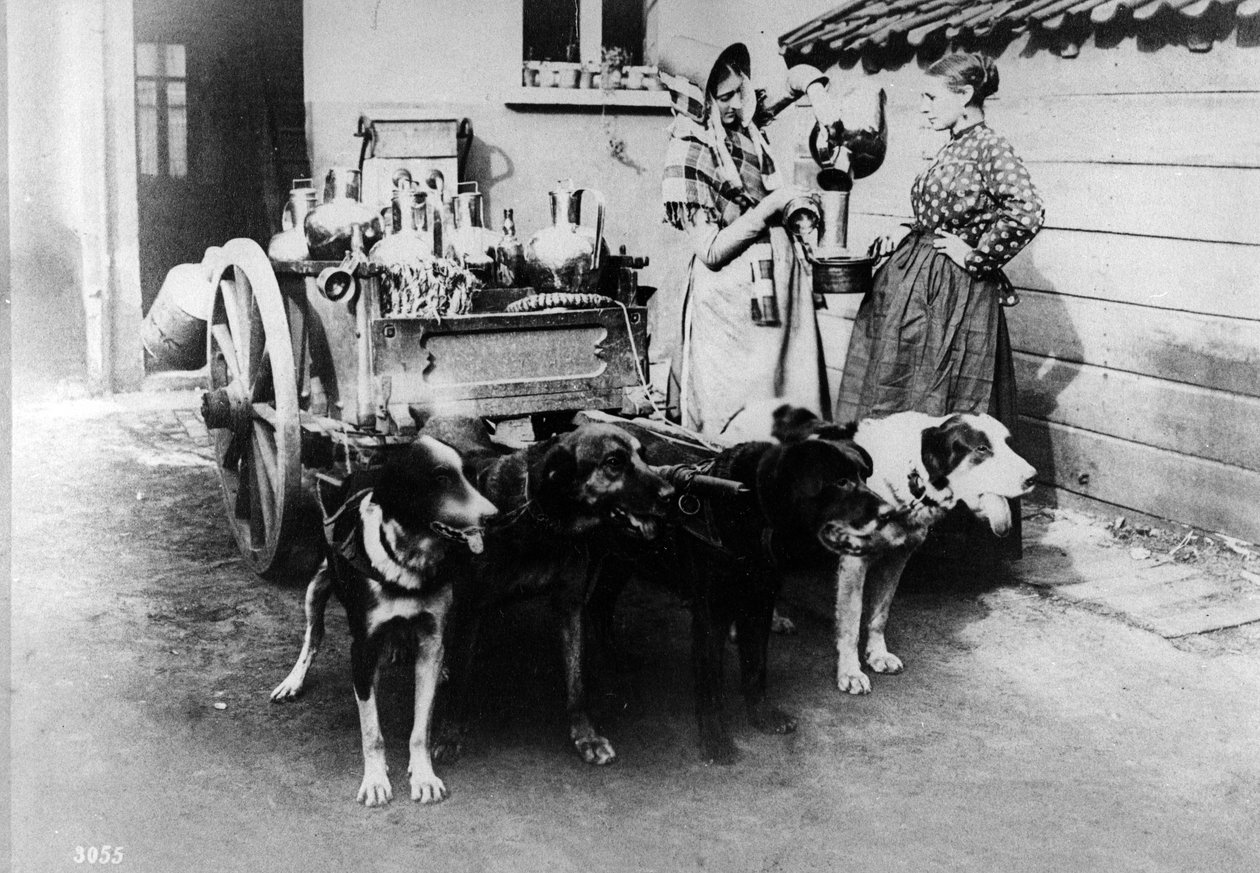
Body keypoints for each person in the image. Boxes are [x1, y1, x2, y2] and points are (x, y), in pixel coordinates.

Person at [835, 52, 1044, 555]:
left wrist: (976, 255)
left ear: (964, 95)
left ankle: (949, 551)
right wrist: (910, 231)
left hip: (955, 298)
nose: (924, 108)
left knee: (945, 404)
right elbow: (948, 213)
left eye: (932, 97)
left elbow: (1027, 210)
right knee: (900, 403)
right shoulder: (952, 147)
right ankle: (894, 528)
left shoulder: (990, 147)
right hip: (917, 292)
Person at [657, 37, 839, 437]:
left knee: (789, 395)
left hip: (778, 284)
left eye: (738, 92)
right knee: (739, 410)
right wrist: (771, 208)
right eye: (723, 98)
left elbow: (792, 83)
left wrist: (817, 93)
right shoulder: (688, 151)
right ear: (698, 101)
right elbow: (710, 249)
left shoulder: (743, 127)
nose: (737, 105)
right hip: (732, 302)